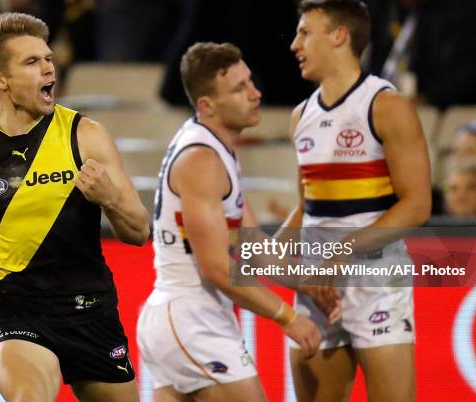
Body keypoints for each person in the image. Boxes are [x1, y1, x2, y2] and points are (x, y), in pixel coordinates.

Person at [0, 12, 150, 402]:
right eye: (32, 62)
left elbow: (139, 233)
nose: (48, 68)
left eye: (48, 59)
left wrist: (110, 199)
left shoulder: (84, 135)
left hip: (92, 312)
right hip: (22, 312)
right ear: (0, 80)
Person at [137, 42, 332, 402]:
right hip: (190, 316)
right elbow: (216, 267)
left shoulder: (213, 149)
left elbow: (253, 246)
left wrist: (308, 283)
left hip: (184, 319)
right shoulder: (202, 160)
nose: (256, 93)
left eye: (250, 82)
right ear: (207, 105)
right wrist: (288, 317)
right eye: (240, 88)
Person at [287, 0, 431, 401]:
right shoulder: (301, 115)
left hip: (376, 280)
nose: (294, 45)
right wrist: (262, 253)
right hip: (318, 285)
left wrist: (340, 253)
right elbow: (307, 206)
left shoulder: (387, 105)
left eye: (304, 33)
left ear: (339, 36)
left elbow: (417, 205)